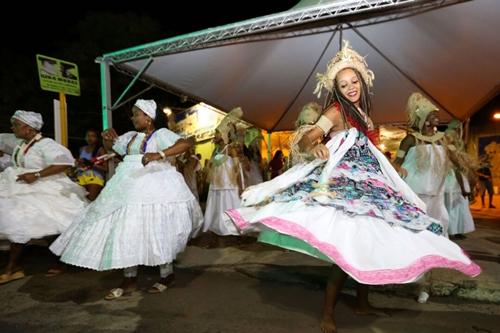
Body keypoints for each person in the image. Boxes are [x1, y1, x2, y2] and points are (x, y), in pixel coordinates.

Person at [225, 41, 480, 333]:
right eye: (343, 84)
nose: (350, 87)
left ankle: (362, 302)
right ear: (337, 89)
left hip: (371, 185)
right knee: (348, 247)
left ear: (362, 82)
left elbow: (371, 149)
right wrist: (316, 146)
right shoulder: (336, 111)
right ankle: (327, 313)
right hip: (345, 185)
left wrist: (392, 167)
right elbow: (310, 136)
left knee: (366, 243)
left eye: (354, 81)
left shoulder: (366, 117)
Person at [50, 99, 203, 299]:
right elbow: (116, 151)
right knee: (126, 228)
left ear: (148, 117)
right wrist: (108, 140)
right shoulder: (131, 136)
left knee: (156, 228)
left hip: (154, 186)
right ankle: (129, 278)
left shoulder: (161, 134)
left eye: (136, 114)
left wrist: (160, 153)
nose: (133, 118)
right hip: (126, 185)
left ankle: (166, 275)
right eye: (132, 114)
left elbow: (185, 143)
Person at [0, 110, 88, 284]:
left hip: (42, 188)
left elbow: (64, 162)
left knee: (30, 226)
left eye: (16, 125)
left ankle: (12, 268)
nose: (13, 128)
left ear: (28, 128)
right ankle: (18, 267)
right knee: (33, 227)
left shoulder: (45, 144)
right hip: (21, 187)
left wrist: (37, 175)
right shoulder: (21, 145)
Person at [202, 108, 243, 237]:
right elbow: (212, 164)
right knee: (217, 205)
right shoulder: (216, 150)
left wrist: (239, 184)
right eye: (215, 133)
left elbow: (237, 168)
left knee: (230, 203)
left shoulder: (230, 149)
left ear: (224, 134)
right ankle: (216, 225)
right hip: (217, 184)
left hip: (227, 184)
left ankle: (232, 226)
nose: (215, 135)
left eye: (217, 133)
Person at [443, 120, 476, 238]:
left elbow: (464, 141)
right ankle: (452, 231)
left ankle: (456, 230)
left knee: (457, 205)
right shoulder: (450, 148)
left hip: (456, 177)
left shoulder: (455, 147)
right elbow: (457, 167)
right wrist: (463, 186)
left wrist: (467, 123)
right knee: (453, 205)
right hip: (453, 179)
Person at [75, 129, 107, 201]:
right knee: (80, 201)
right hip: (81, 177)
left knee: (91, 200)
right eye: (88, 136)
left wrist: (90, 164)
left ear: (97, 138)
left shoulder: (100, 150)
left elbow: (106, 168)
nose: (90, 138)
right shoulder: (81, 149)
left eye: (93, 136)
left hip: (95, 177)